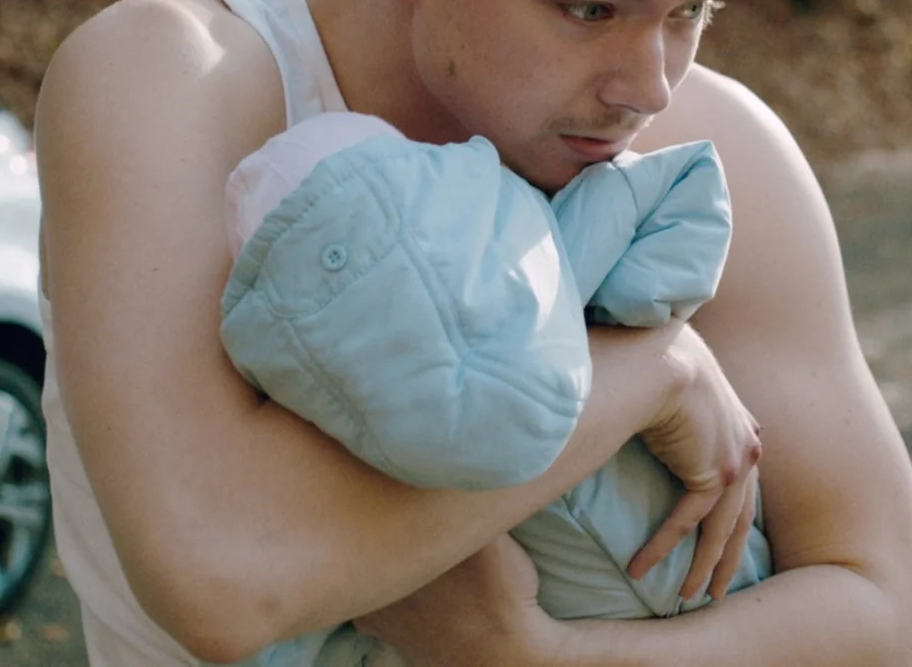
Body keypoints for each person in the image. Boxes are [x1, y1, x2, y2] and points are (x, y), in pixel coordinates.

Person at [35, 0, 912, 667]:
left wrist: (542, 660)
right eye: (590, 9)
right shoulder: (176, 82)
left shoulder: (709, 156)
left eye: (691, 11)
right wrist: (648, 371)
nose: (649, 86)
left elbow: (884, 613)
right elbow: (222, 571)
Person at [214, 111, 770, 667]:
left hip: (729, 577)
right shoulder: (344, 458)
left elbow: (681, 181)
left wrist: (631, 319)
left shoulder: (543, 270)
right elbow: (281, 619)